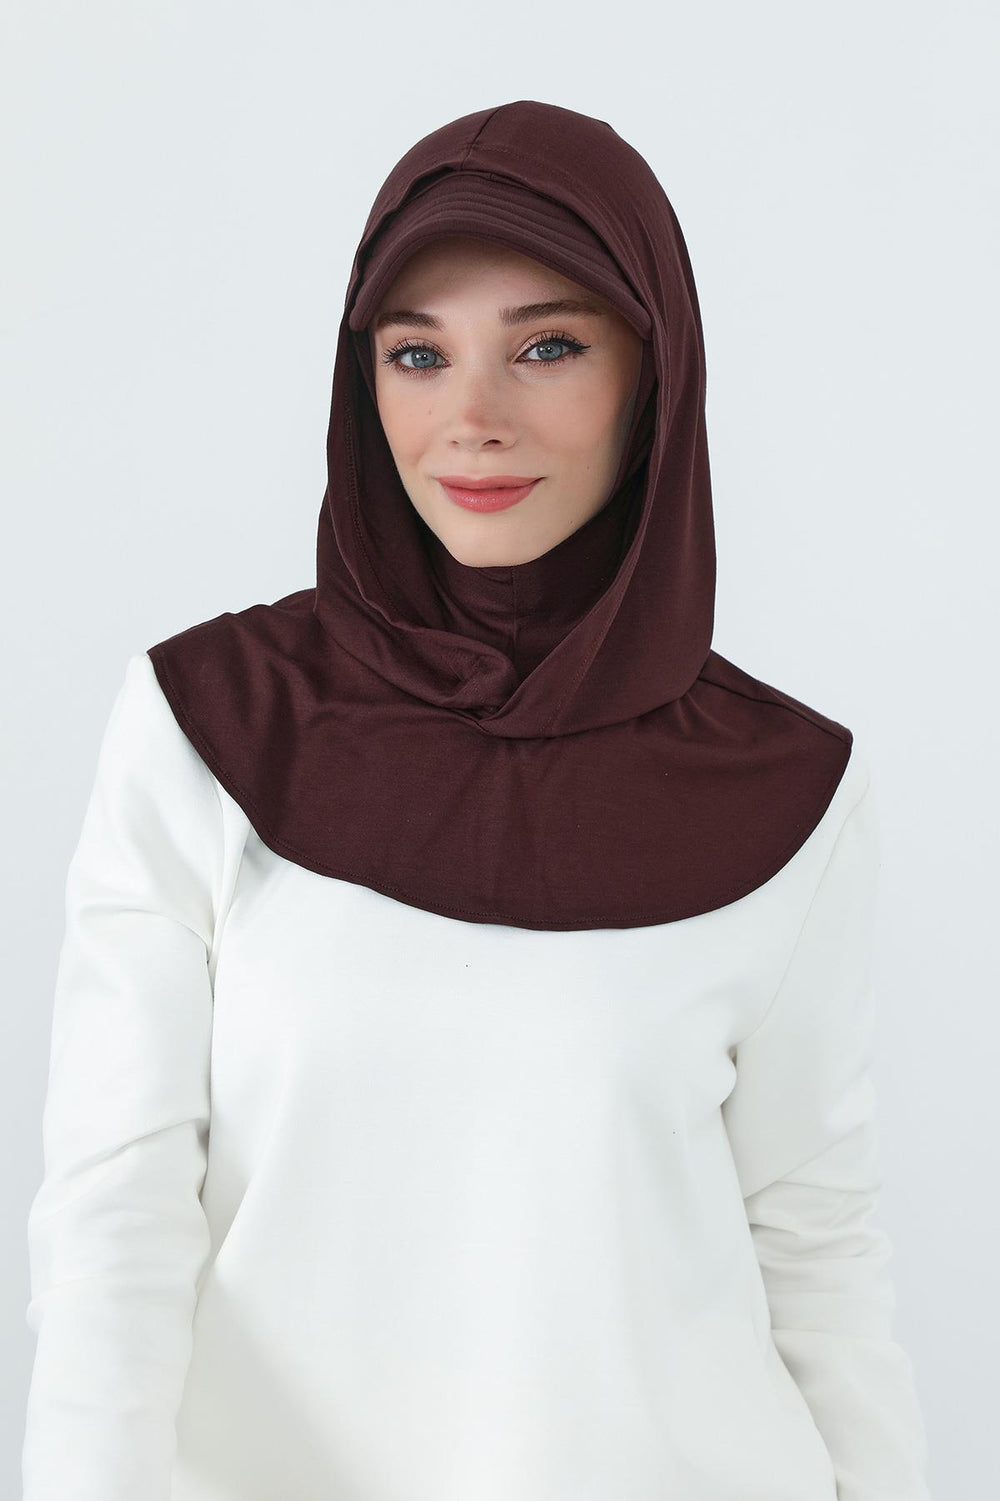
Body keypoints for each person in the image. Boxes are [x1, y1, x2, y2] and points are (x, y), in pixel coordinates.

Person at [21, 100, 934, 1500]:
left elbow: (815, 1253)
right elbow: (114, 1219)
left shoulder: (790, 791)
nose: (472, 420)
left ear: (655, 373)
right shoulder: (212, 726)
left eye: (547, 347)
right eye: (417, 354)